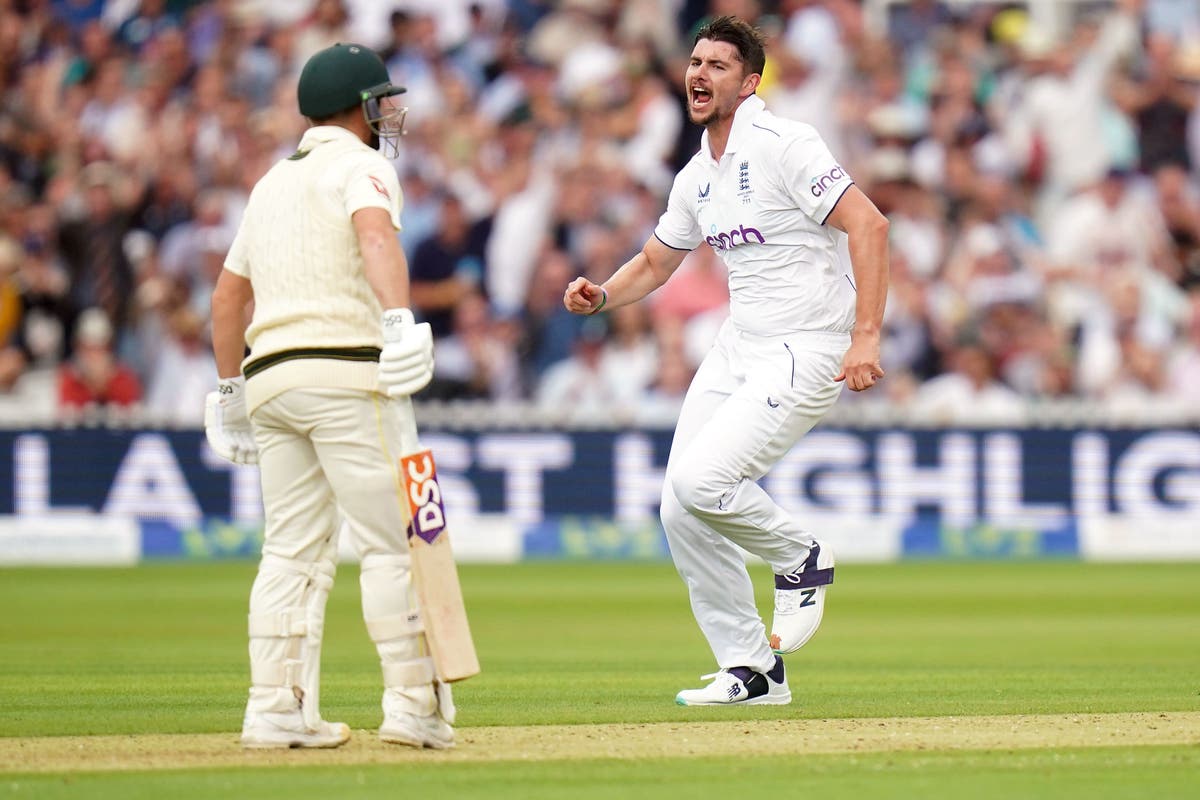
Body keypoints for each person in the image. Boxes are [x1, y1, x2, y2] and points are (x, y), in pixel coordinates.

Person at [563, 16, 889, 706]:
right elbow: (657, 262)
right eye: (695, 61)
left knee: (706, 481)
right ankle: (753, 671)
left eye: (718, 65)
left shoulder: (785, 143)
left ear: (750, 82)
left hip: (808, 345)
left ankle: (799, 557)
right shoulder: (697, 174)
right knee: (679, 507)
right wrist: (601, 297)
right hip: (740, 346)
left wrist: (867, 336)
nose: (699, 74)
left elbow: (869, 223)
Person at [204, 42, 455, 750]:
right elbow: (375, 236)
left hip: (272, 381)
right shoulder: (363, 165)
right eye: (381, 101)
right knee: (394, 545)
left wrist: (229, 392)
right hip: (346, 374)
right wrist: (400, 319)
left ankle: (275, 709)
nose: (389, 114)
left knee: (290, 552)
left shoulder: (270, 183)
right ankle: (412, 706)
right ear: (361, 107)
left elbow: (228, 300)